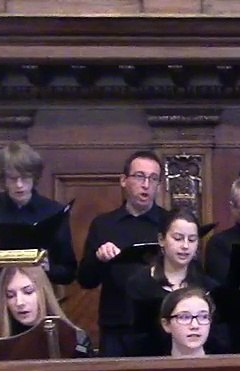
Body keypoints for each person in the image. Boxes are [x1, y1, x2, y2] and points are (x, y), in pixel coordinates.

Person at [77, 150, 169, 357]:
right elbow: (85, 280)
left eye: (153, 178)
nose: (146, 184)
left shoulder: (169, 223)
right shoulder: (103, 224)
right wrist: (99, 259)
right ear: (123, 180)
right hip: (115, 326)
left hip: (160, 323)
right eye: (139, 176)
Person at [0, 141, 77, 286]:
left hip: (37, 290)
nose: (19, 185)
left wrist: (48, 268)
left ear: (34, 178)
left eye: (25, 177)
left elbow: (68, 272)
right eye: (13, 178)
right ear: (4, 180)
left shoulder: (53, 211)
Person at [125, 209, 220, 356]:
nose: (185, 246)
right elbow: (132, 337)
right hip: (149, 365)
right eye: (178, 238)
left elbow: (218, 339)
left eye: (192, 239)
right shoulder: (139, 284)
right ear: (161, 239)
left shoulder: (208, 286)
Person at [0, 265, 92, 356]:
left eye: (28, 292)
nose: (19, 302)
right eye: (10, 295)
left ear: (43, 292)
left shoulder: (76, 339)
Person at [159, 286, 214, 358]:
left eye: (203, 317)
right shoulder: (150, 368)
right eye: (184, 317)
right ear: (166, 324)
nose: (195, 325)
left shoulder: (225, 366)